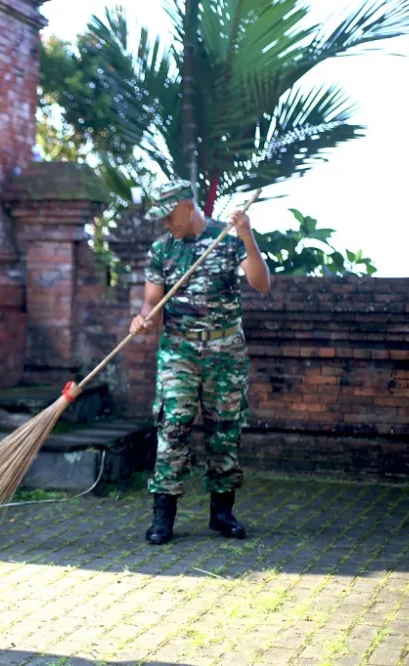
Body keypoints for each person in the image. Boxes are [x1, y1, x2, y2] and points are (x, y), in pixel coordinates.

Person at [130, 180, 271, 546]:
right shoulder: (162, 250)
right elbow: (152, 302)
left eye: (168, 215)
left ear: (187, 205)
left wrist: (247, 235)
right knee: (172, 428)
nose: (165, 224)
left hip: (225, 350)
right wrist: (143, 318)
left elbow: (261, 283)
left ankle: (222, 514)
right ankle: (163, 517)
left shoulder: (227, 238)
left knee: (224, 430)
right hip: (179, 351)